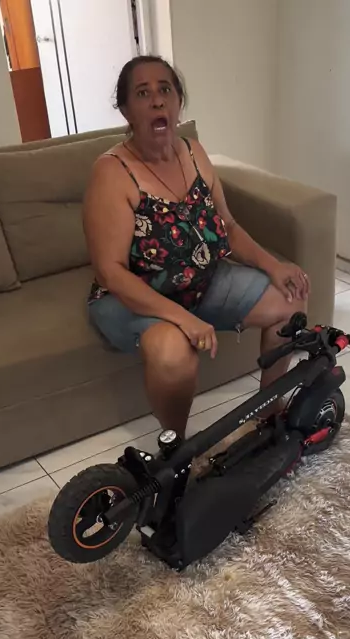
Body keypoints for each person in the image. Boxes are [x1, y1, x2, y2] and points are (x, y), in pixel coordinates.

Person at [85, 55, 310, 438]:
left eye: (165, 90)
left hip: (202, 281)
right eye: (143, 93)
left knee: (291, 300)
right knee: (175, 352)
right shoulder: (111, 172)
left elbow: (227, 227)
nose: (157, 100)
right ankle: (176, 449)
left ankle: (268, 413)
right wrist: (182, 318)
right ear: (126, 110)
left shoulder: (193, 152)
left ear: (178, 102)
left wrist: (274, 266)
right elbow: (111, 272)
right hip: (132, 296)